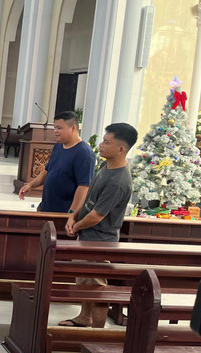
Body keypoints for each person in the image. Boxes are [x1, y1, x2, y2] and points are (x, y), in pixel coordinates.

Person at [59, 122, 138, 328]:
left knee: (97, 286)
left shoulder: (119, 181)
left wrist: (76, 227)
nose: (101, 145)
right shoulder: (106, 165)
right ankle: (85, 318)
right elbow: (89, 200)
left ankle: (97, 333)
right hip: (87, 235)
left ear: (121, 149)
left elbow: (97, 215)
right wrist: (73, 217)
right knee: (85, 281)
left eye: (106, 142)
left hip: (100, 240)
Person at [18, 111, 95, 213]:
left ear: (73, 128)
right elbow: (47, 171)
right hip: (46, 207)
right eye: (54, 127)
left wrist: (71, 213)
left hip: (62, 212)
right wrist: (30, 185)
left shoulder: (84, 153)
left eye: (59, 128)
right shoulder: (58, 146)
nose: (55, 131)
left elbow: (84, 186)